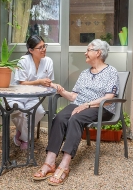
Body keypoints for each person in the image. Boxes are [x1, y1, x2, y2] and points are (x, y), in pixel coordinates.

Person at [32, 39, 119, 186]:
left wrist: (87, 104)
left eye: (88, 50)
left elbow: (109, 98)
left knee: (75, 118)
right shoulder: (85, 73)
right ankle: (50, 162)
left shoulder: (111, 72)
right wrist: (60, 90)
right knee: (60, 118)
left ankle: (65, 165)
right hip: (80, 105)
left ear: (98, 53)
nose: (85, 53)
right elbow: (74, 96)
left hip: (101, 108)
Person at [7, 35, 63, 150]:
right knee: (17, 110)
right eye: (40, 47)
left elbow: (47, 82)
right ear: (31, 50)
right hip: (17, 95)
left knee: (40, 111)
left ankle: (22, 133)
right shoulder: (23, 61)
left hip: (33, 97)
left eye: (44, 46)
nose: (44, 49)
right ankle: (26, 138)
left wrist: (54, 85)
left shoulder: (48, 61)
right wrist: (39, 81)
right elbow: (22, 83)